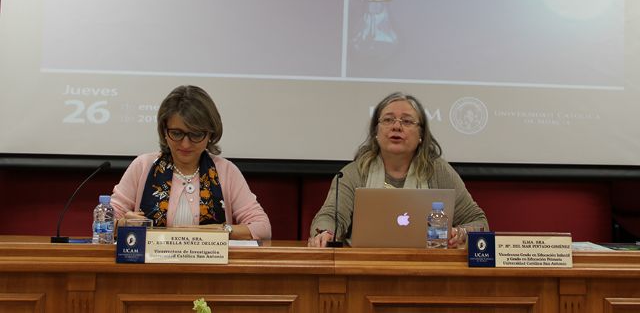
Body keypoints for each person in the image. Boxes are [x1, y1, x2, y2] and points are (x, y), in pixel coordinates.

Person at [308, 92, 488, 248]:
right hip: (364, 266)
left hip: (427, 267)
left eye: (407, 121)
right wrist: (326, 233)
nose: (396, 126)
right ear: (376, 131)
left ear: (421, 134)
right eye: (388, 120)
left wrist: (460, 233)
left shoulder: (438, 172)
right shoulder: (355, 172)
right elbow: (330, 216)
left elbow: (478, 221)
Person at [111, 85, 271, 240]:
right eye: (176, 133)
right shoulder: (143, 166)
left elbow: (262, 227)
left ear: (210, 134)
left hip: (209, 259)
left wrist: (221, 231)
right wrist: (122, 224)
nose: (185, 144)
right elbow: (104, 222)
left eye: (195, 135)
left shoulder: (226, 171)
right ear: (164, 131)